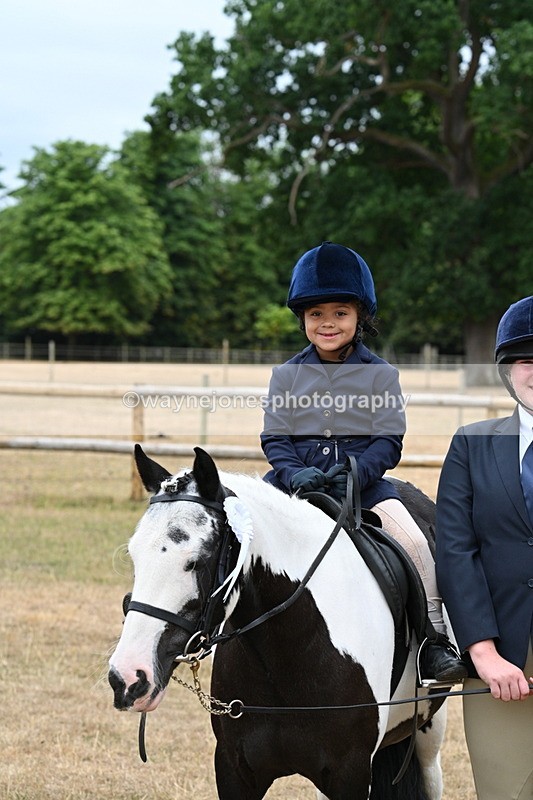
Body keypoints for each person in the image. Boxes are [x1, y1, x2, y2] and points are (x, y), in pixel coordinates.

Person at [261, 241, 467, 683]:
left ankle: (433, 642)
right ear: (303, 319)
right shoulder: (286, 376)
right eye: (316, 314)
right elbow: (275, 437)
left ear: (360, 317)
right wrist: (296, 472)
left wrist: (357, 471)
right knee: (236, 530)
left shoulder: (381, 375)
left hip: (365, 488)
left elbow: (388, 441)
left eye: (339, 313)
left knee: (415, 545)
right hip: (294, 486)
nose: (327, 323)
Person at [435, 295, 533, 800]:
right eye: (526, 360)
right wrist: (484, 651)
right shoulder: (470, 446)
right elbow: (456, 552)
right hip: (501, 663)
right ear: (507, 371)